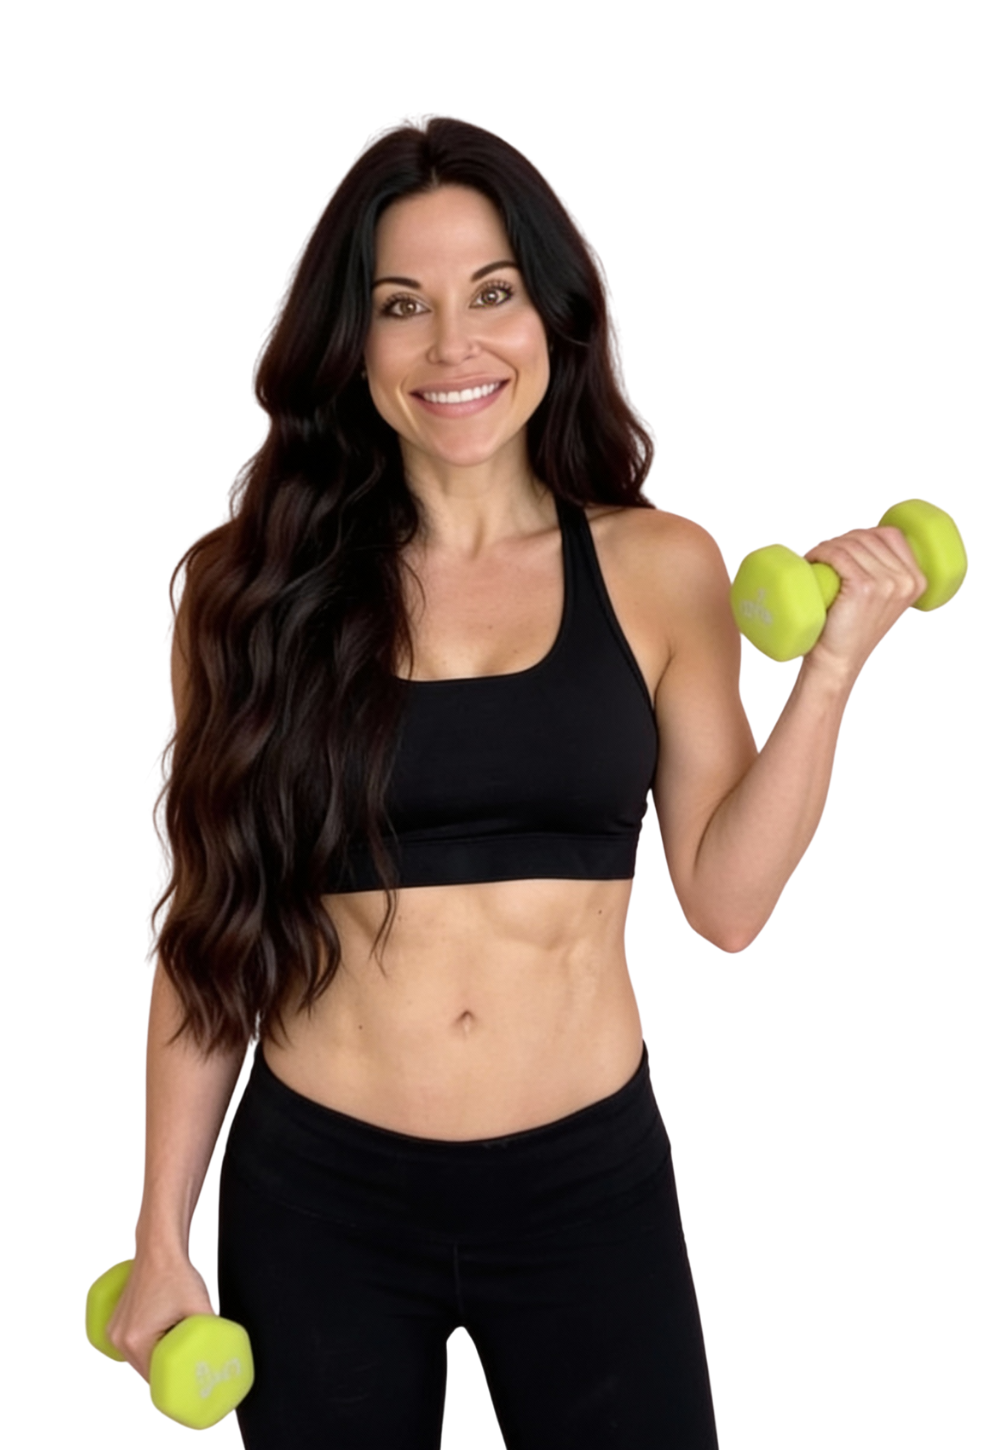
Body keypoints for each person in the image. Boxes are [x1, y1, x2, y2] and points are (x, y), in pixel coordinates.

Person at [106, 117, 926, 1449]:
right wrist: (158, 1231)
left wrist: (828, 668)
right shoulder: (247, 591)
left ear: (549, 314)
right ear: (351, 342)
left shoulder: (660, 566)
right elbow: (213, 935)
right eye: (401, 306)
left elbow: (724, 899)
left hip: (582, 1186)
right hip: (319, 1194)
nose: (453, 347)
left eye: (490, 293)